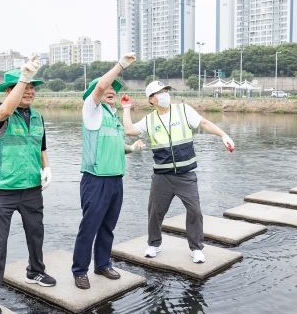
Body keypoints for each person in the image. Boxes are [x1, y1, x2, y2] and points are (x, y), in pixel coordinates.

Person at [0, 58, 56, 314]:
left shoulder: (37, 116)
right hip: (3, 190)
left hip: (32, 188)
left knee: (36, 233)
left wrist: (47, 168)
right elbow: (4, 113)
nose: (30, 91)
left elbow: (41, 146)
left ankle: (35, 271)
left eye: (33, 87)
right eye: (25, 86)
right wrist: (22, 77)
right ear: (10, 90)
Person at [121, 81, 235, 264]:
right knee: (155, 212)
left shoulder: (183, 110)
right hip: (162, 176)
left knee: (195, 211)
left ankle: (196, 248)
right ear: (151, 99)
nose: (165, 94)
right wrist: (126, 108)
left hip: (186, 175)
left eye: (166, 90)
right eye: (160, 92)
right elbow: (129, 130)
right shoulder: (149, 120)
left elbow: (204, 122)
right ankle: (154, 244)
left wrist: (224, 135)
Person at [71, 53, 147, 290]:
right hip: (96, 179)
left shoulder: (113, 118)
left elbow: (116, 146)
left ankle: (102, 264)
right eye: (105, 89)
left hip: (115, 179)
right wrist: (121, 65)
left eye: (114, 89)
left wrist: (131, 148)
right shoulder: (91, 112)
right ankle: (80, 270)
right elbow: (102, 84)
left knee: (108, 225)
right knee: (90, 226)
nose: (110, 90)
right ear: (96, 94)